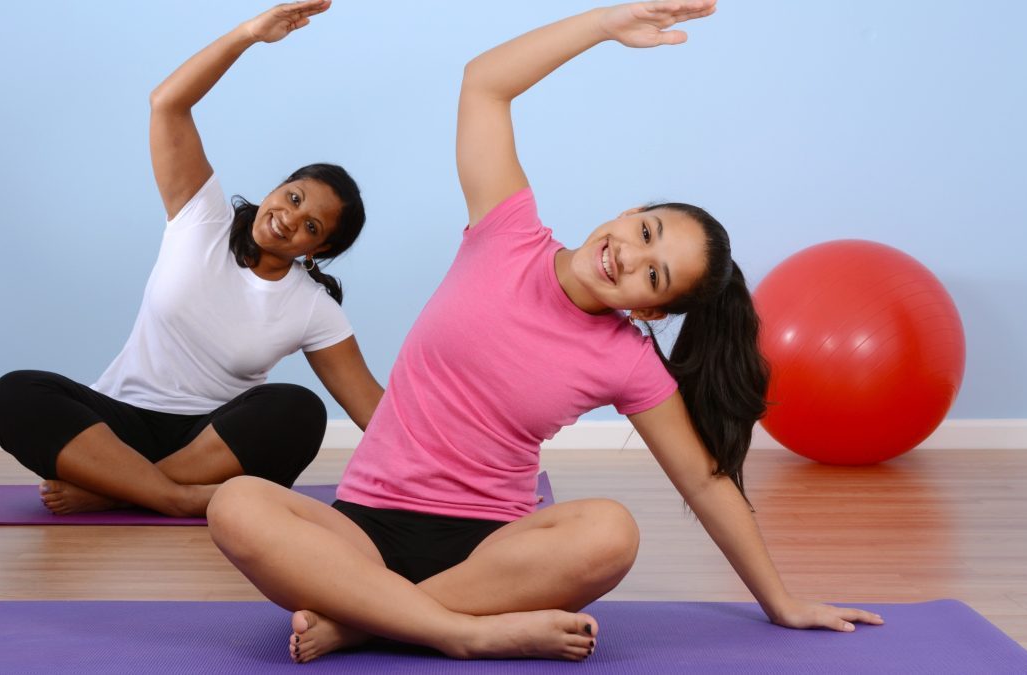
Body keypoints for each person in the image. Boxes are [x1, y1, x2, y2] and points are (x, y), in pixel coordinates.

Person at [207, 0, 884, 663]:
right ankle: (459, 632)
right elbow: (485, 83)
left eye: (654, 277)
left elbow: (706, 484)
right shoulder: (506, 230)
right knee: (237, 504)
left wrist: (781, 600)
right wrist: (604, 23)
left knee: (610, 531)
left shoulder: (629, 359)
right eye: (645, 232)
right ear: (629, 211)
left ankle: (363, 620)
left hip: (494, 554)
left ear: (651, 311)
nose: (630, 256)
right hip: (361, 524)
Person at [0, 1, 383, 518]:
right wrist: (249, 34)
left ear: (320, 249)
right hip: (117, 426)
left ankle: (116, 490)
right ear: (277, 188)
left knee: (299, 410)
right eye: (293, 198)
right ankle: (170, 497)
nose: (290, 219)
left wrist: (472, 473)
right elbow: (167, 104)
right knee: (16, 393)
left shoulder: (312, 308)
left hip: (212, 443)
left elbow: (375, 413)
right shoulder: (203, 218)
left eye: (311, 226)